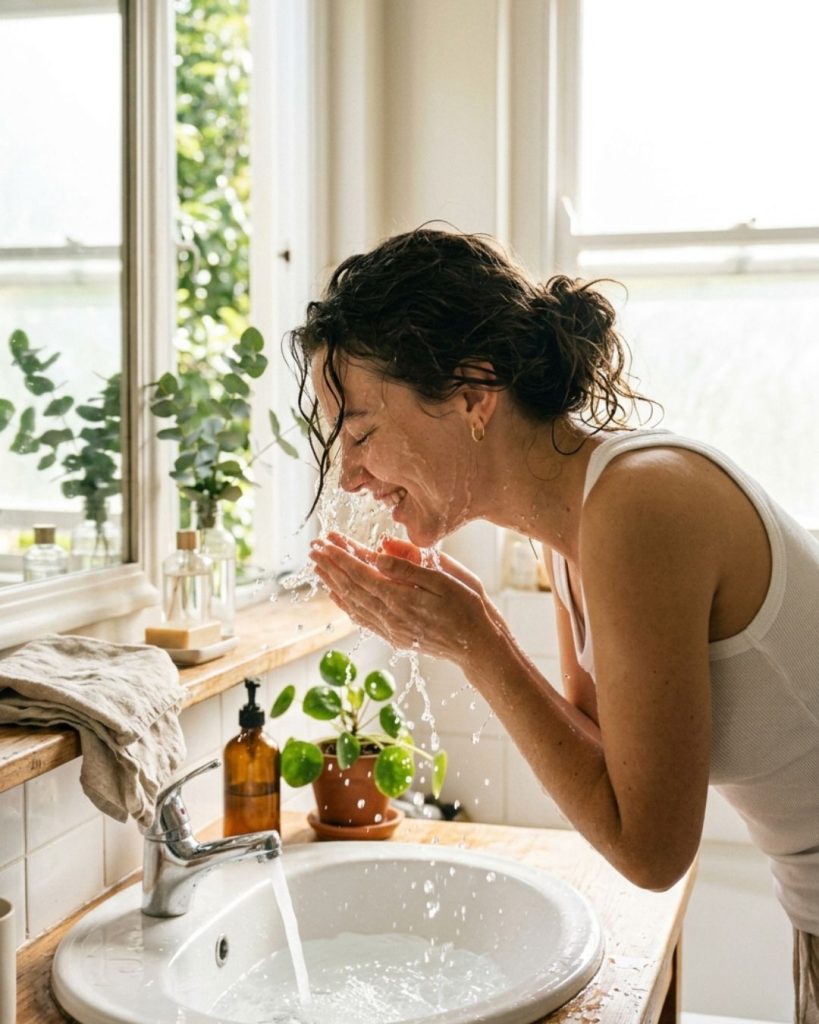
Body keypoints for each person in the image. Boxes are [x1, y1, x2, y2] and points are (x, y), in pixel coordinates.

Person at [289, 226, 819, 1022]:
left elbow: (649, 850)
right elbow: (609, 762)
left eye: (360, 432)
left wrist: (476, 642)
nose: (351, 474)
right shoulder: (570, 530)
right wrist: (473, 636)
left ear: (473, 395)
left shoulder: (640, 505)